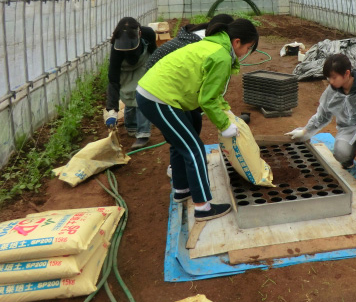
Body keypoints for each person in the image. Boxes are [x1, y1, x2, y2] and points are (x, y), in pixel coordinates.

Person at [136, 19, 259, 221]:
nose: (246, 52)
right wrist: (224, 125)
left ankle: (182, 189)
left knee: (180, 144)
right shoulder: (221, 57)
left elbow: (211, 90)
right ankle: (203, 207)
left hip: (155, 94)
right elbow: (207, 99)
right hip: (159, 98)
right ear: (237, 42)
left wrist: (226, 112)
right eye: (247, 47)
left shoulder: (213, 45)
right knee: (194, 149)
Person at [145, 14, 234, 178]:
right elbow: (206, 91)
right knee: (183, 135)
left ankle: (186, 165)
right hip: (162, 89)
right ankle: (177, 168)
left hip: (175, 88)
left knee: (193, 123)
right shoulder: (201, 44)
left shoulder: (203, 38)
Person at [285, 53, 356, 188]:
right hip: (347, 129)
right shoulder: (332, 91)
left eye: (334, 77)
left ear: (347, 73)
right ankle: (350, 155)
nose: (330, 81)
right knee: (340, 154)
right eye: (329, 77)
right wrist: (304, 131)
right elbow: (322, 116)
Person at [103, 17, 156, 150]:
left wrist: (156, 73)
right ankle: (131, 127)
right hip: (125, 70)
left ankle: (143, 134)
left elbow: (154, 52)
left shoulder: (148, 33)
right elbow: (113, 79)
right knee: (128, 96)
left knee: (142, 97)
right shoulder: (116, 48)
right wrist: (112, 110)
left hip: (143, 66)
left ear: (139, 34)